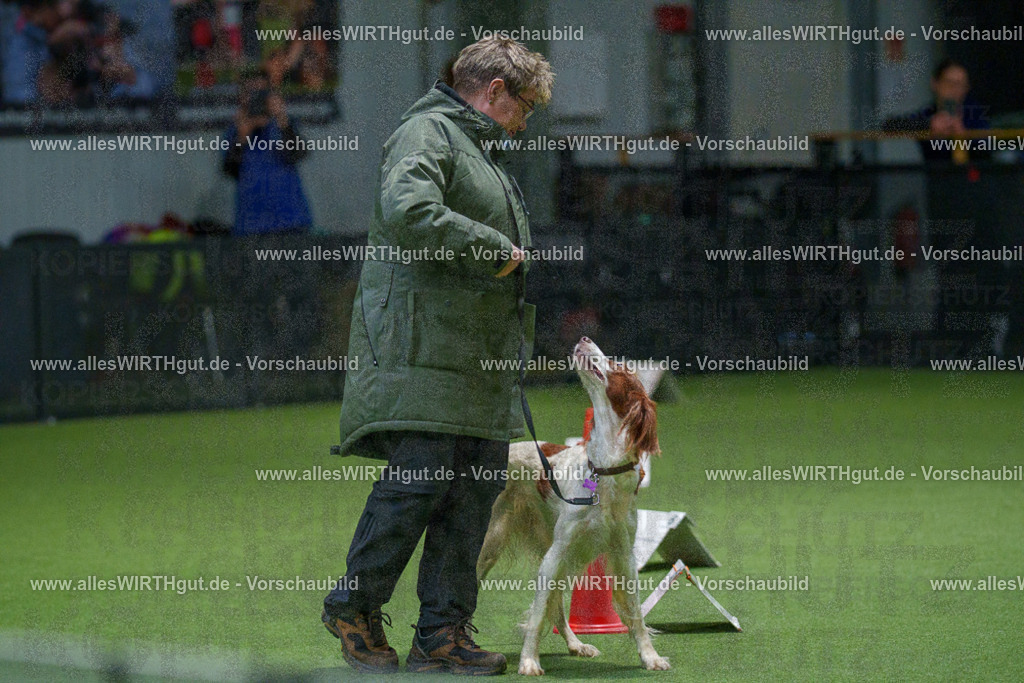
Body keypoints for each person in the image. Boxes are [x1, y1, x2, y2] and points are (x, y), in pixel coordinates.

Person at [321, 36, 553, 675]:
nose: (527, 119)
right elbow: (408, 208)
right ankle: (354, 608)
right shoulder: (428, 133)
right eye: (525, 104)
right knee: (416, 485)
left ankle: (443, 634)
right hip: (422, 353)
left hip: (471, 360)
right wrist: (491, 247)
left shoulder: (475, 147)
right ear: (494, 91)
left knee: (470, 493)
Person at [221, 69, 312, 236]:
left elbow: (299, 154)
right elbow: (230, 171)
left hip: (291, 221)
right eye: (251, 93)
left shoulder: (283, 125)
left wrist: (282, 119)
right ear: (242, 98)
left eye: (261, 93)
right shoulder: (234, 132)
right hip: (250, 226)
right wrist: (242, 137)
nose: (257, 100)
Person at [883, 58, 989, 162]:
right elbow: (890, 125)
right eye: (949, 83)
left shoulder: (975, 114)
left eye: (961, 85)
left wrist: (964, 135)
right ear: (935, 84)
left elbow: (989, 150)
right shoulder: (929, 113)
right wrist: (929, 125)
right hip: (937, 177)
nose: (955, 90)